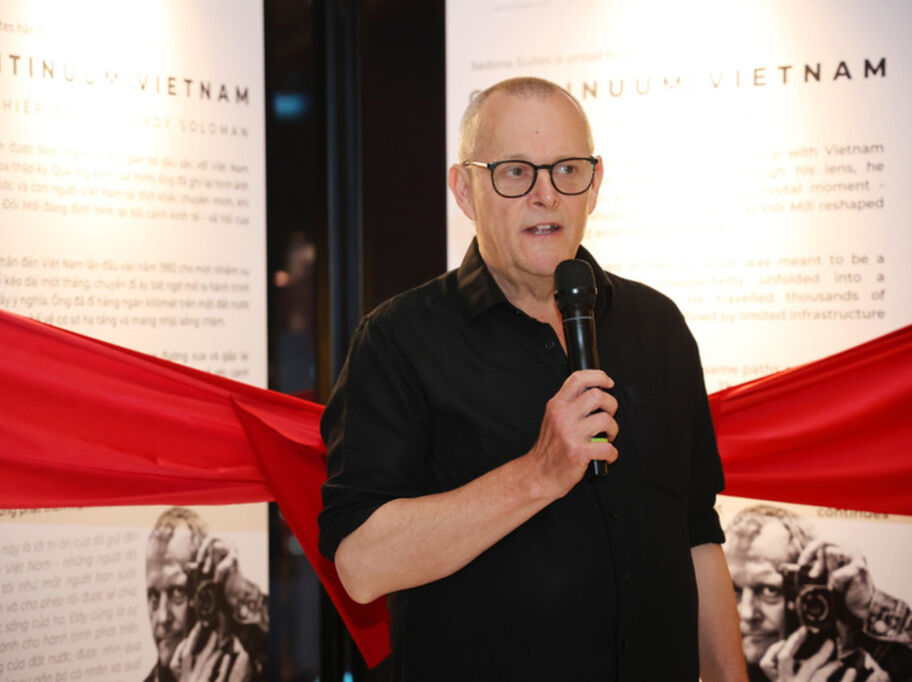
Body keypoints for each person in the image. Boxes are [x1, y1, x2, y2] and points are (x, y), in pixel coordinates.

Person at [318, 76, 746, 680]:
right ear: (464, 190)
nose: (546, 195)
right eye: (515, 172)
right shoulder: (397, 341)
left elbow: (697, 531)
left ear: (594, 183)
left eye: (567, 170)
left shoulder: (659, 325)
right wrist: (538, 474)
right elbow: (362, 566)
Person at [725, 504, 912, 681]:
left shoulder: (861, 671)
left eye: (770, 591)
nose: (747, 613)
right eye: (733, 591)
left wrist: (871, 607)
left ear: (810, 588)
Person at [144, 507, 269, 682]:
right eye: (154, 597)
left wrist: (241, 595)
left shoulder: (254, 661)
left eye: (178, 593)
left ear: (208, 593)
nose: (162, 617)